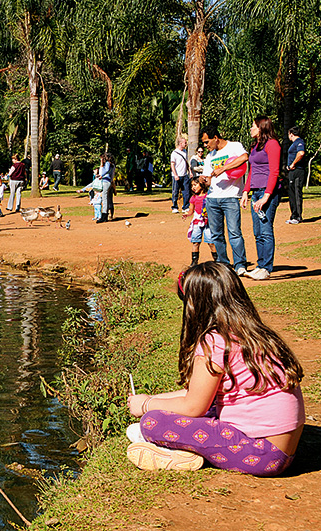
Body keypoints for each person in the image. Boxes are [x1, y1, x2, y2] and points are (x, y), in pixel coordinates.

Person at [126, 262, 304, 476]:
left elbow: (194, 407)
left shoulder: (215, 341)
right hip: (284, 451)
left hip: (261, 454)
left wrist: (145, 407)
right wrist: (151, 399)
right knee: (200, 410)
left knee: (151, 423)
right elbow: (199, 394)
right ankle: (184, 451)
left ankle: (176, 451)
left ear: (195, 305)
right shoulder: (255, 333)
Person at [200, 125, 249, 275]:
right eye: (203, 143)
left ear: (216, 138)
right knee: (216, 234)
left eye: (207, 142)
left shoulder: (234, 146)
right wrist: (203, 180)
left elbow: (244, 158)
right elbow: (209, 179)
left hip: (231, 197)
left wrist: (224, 168)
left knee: (234, 232)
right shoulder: (210, 156)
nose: (205, 145)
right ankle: (223, 264)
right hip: (212, 198)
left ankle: (240, 264)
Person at [241, 116, 281, 281]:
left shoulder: (272, 144)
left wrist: (266, 196)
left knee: (265, 231)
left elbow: (274, 171)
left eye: (253, 126)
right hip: (256, 192)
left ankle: (266, 268)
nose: (251, 129)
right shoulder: (256, 146)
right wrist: (246, 191)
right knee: (257, 232)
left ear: (261, 127)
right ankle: (260, 265)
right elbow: (252, 171)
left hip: (267, 193)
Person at [183, 176, 218, 266]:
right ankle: (194, 261)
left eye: (195, 185)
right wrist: (187, 214)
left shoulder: (209, 196)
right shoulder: (193, 198)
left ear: (202, 184)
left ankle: (217, 260)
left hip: (207, 222)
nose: (193, 187)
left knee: (211, 242)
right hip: (197, 222)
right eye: (192, 186)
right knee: (195, 242)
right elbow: (191, 210)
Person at [286, 126, 305, 224]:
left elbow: (301, 153)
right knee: (292, 193)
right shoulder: (293, 144)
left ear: (291, 134)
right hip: (292, 172)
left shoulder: (299, 142)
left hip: (297, 171)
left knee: (297, 193)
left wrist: (293, 164)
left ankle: (298, 217)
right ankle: (293, 215)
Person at [170, 137, 191, 213]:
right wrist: (175, 175)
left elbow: (186, 163)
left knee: (186, 191)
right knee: (175, 192)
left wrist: (190, 172)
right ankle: (174, 207)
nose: (186, 144)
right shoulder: (174, 153)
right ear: (181, 143)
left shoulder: (185, 152)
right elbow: (172, 164)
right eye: (185, 143)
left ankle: (185, 206)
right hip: (177, 175)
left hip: (184, 175)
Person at [96, 152, 115, 223]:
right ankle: (107, 215)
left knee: (104, 199)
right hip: (109, 182)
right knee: (108, 199)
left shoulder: (107, 163)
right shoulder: (112, 165)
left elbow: (105, 170)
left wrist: (101, 175)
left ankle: (104, 216)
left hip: (106, 182)